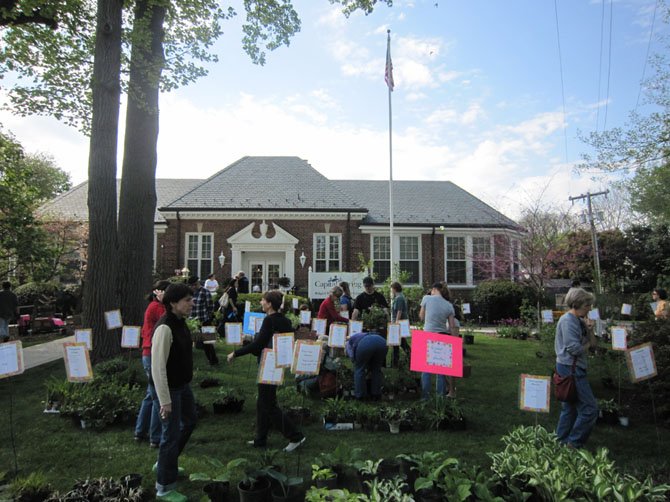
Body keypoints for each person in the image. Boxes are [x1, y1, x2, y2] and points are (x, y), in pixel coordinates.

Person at [226, 290, 305, 452]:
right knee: (262, 402)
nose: (261, 302)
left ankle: (295, 436)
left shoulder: (269, 320)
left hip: (268, 364)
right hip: (277, 362)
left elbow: (258, 345)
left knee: (268, 404)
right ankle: (260, 439)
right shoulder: (285, 320)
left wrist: (236, 353)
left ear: (269, 304)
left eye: (263, 300)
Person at [151, 282, 197, 501]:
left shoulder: (181, 323)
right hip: (169, 390)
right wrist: (165, 401)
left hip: (182, 386)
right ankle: (164, 486)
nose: (191, 303)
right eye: (187, 300)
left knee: (190, 421)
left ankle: (167, 462)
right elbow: (157, 368)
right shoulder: (164, 327)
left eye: (191, 299)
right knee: (169, 436)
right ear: (173, 303)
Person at [555, 287, 598, 449]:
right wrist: (587, 343)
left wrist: (590, 330)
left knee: (570, 408)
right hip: (569, 368)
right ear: (578, 304)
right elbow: (575, 349)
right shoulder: (567, 321)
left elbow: (593, 344)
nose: (589, 308)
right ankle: (573, 443)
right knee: (590, 409)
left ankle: (559, 442)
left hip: (573, 367)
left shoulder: (579, 321)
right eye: (587, 305)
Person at [134, 280, 170, 448]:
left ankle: (140, 431)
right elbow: (168, 319)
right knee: (158, 397)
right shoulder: (157, 308)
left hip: (149, 353)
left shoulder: (157, 306)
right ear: (158, 292)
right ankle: (156, 437)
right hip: (151, 353)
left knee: (150, 395)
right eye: (166, 292)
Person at [419, 282, 458, 399]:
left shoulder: (426, 298)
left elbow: (421, 317)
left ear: (434, 289)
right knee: (440, 369)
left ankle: (425, 397)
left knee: (425, 369)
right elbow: (452, 326)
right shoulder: (449, 305)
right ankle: (440, 397)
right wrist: (455, 342)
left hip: (427, 334)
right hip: (442, 336)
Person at [346, 328, 387, 401]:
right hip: (382, 342)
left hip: (365, 344)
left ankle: (360, 396)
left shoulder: (347, 344)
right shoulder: (359, 335)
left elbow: (353, 358)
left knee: (359, 369)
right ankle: (376, 394)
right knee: (376, 369)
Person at [187, 276, 218, 365]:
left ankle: (213, 361)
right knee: (190, 341)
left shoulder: (205, 292)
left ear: (198, 283)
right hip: (192, 322)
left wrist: (208, 317)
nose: (193, 287)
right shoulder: (189, 293)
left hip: (205, 320)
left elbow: (210, 307)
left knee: (208, 343)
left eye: (195, 285)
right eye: (191, 285)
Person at [390, 281, 410, 367]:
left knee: (399, 342)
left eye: (391, 289)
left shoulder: (399, 298)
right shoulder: (399, 297)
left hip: (399, 322)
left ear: (394, 289)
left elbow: (399, 311)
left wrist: (396, 323)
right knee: (399, 342)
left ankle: (409, 356)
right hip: (399, 322)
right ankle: (396, 361)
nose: (391, 291)